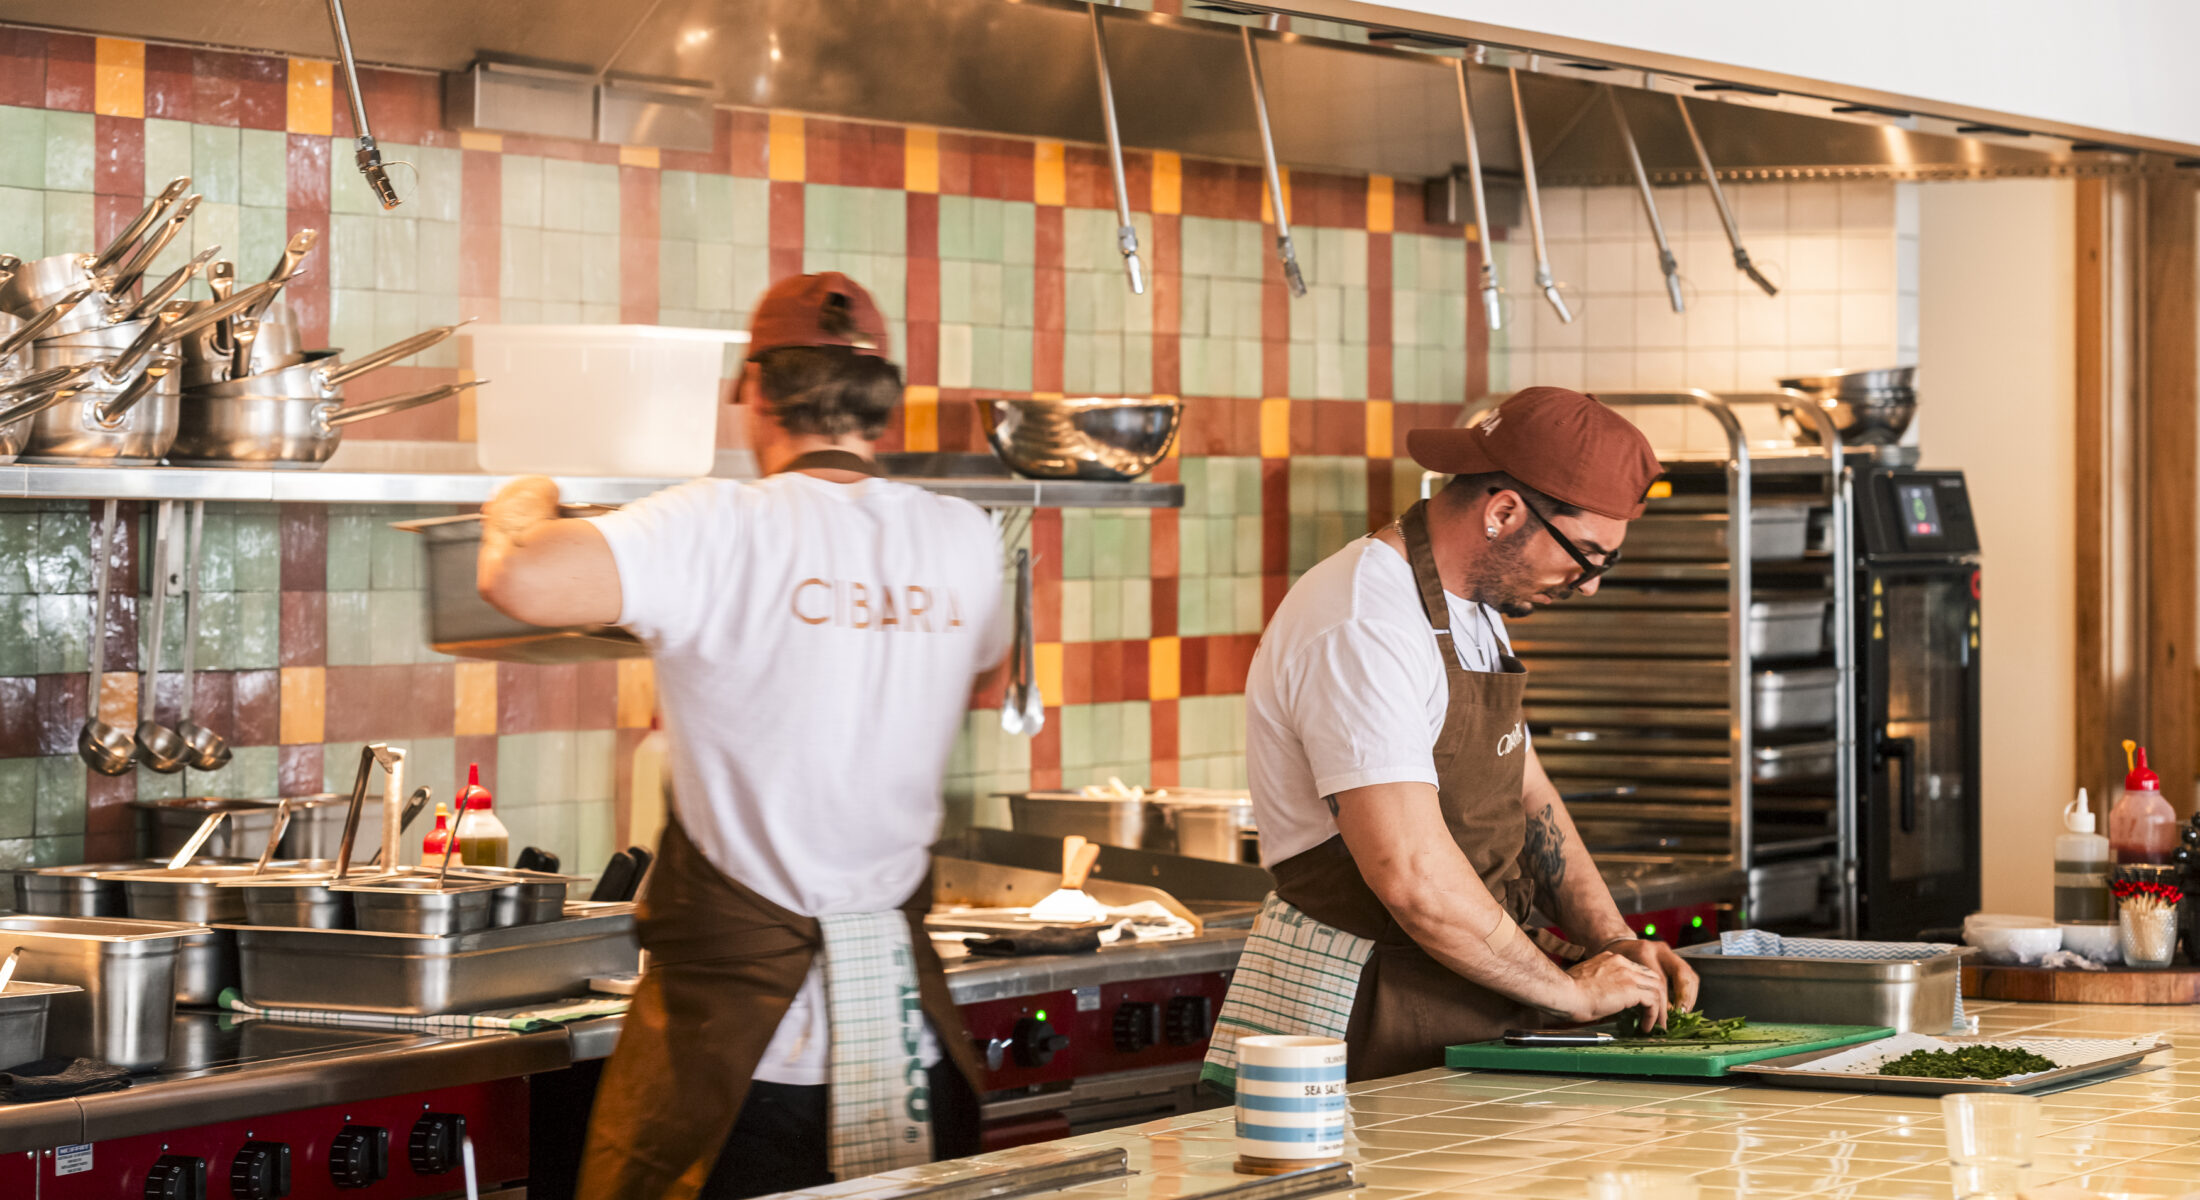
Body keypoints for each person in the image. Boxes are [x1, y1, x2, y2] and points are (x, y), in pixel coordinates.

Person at [476, 272, 1008, 1199]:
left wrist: (526, 492)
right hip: (901, 1035)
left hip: (737, 1067)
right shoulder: (964, 537)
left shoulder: (717, 523)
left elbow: (521, 579)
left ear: (754, 391)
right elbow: (986, 674)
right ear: (885, 397)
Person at [1202, 386, 1698, 1086]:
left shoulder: (1471, 610)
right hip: (1361, 1012)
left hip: (1468, 991)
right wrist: (1570, 991)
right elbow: (1412, 879)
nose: (1587, 586)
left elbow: (1528, 792)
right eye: (1585, 555)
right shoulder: (1367, 624)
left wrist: (1611, 939)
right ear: (1503, 513)